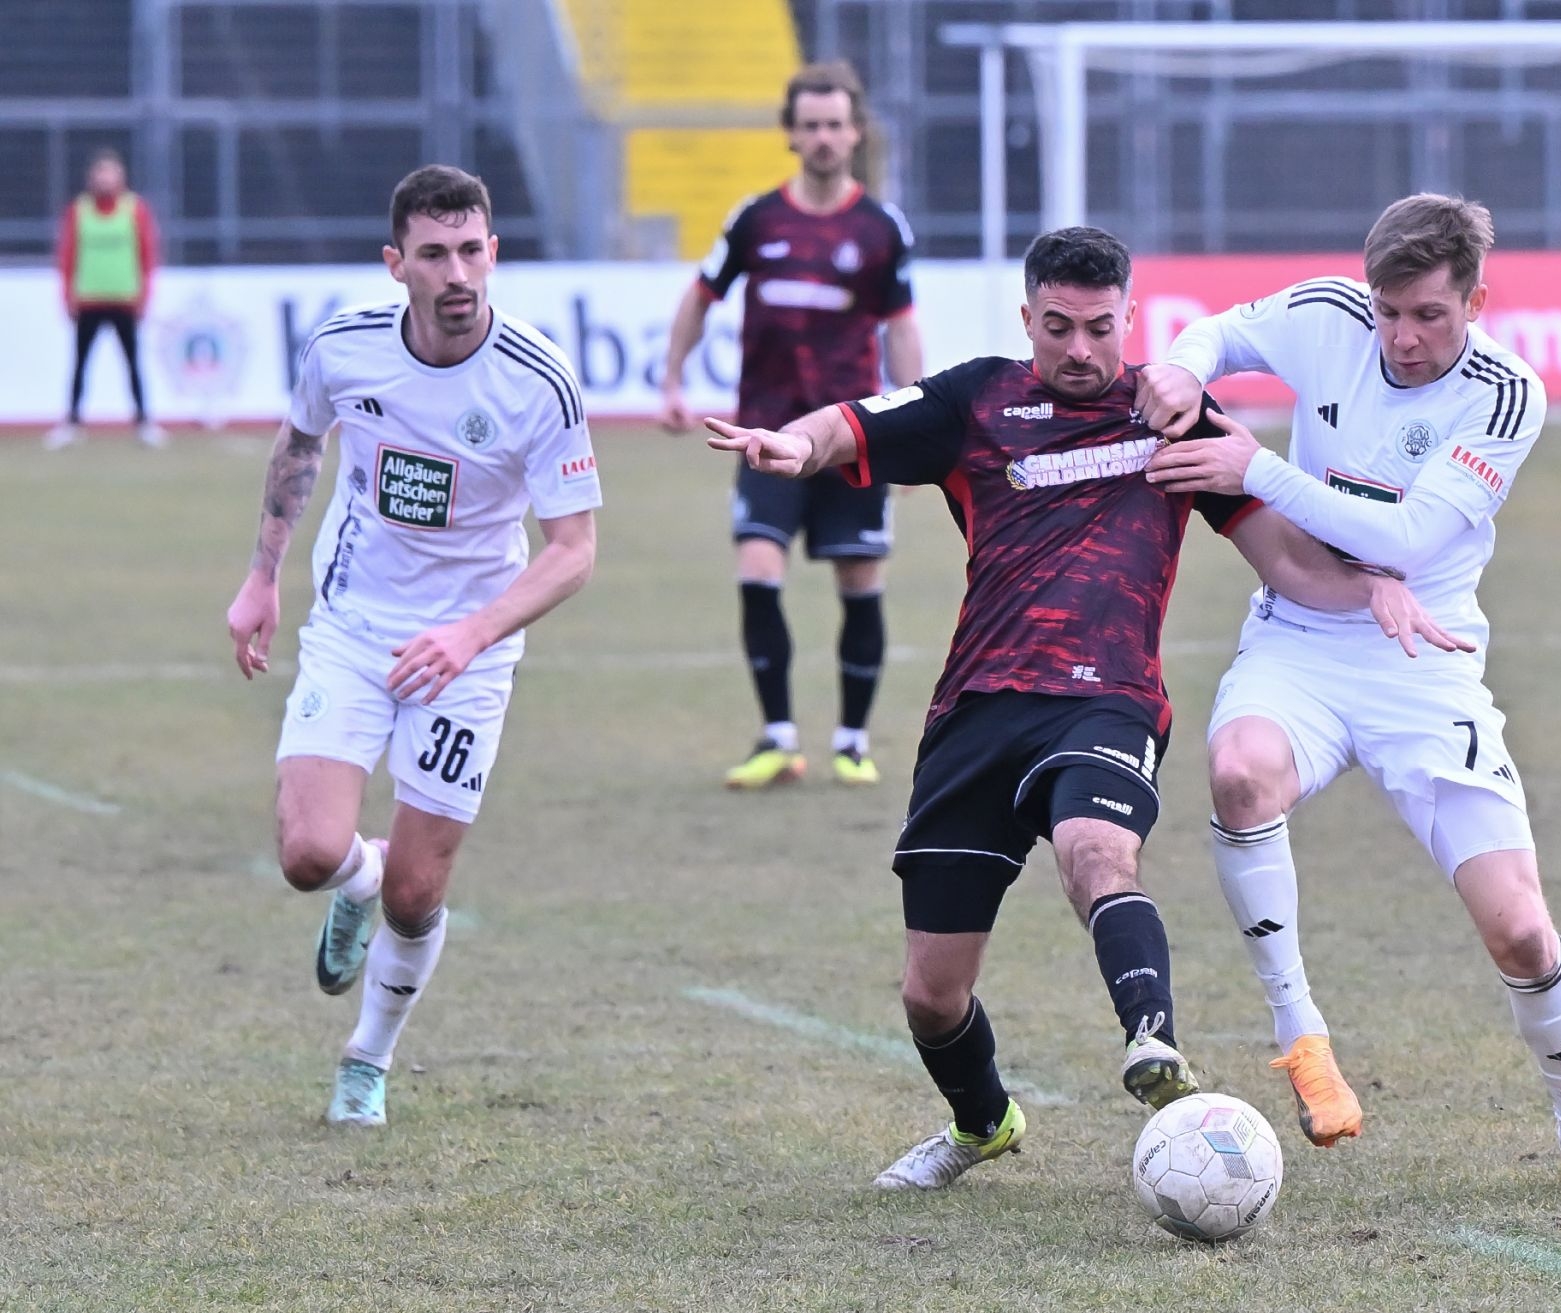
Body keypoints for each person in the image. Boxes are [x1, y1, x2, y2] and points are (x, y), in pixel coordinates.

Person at [705, 225, 1470, 1191]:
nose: (1079, 348)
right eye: (1058, 326)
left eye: (1100, 328)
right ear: (1027, 317)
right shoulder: (975, 401)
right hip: (977, 709)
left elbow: (1283, 557)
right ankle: (984, 1122)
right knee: (932, 994)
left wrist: (1373, 588)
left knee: (1096, 852)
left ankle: (1153, 1041)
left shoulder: (1174, 415)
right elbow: (853, 424)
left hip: (1106, 699)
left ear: (1129, 318)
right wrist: (793, 444)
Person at [1138, 194, 1561, 1196]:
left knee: (1520, 927)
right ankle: (1301, 1034)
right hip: (1301, 638)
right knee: (1239, 773)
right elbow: (1220, 331)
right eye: (1388, 311)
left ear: (1475, 301)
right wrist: (1183, 366)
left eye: (1429, 314)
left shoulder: (1504, 392)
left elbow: (1406, 539)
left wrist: (1257, 467)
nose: (1402, 336)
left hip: (1424, 659)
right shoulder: (1330, 313)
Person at [223, 165, 601, 1127]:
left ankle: (368, 1058)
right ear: (397, 264)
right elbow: (300, 445)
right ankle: (357, 880)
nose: (457, 272)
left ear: (494, 253)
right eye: (434, 254)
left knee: (419, 890)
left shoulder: (538, 381)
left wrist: (471, 633)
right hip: (353, 626)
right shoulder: (343, 347)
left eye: (472, 250)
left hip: (470, 650)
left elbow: (573, 550)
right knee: (308, 852)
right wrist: (263, 576)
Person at [660, 60, 922, 789]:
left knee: (859, 582)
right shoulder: (756, 219)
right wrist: (672, 379)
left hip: (851, 435)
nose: (824, 137)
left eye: (835, 124)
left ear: (855, 132)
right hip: (765, 436)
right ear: (791, 134)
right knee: (757, 569)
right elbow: (700, 296)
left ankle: (852, 741)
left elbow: (902, 327)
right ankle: (777, 737)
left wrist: (912, 425)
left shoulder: (880, 228)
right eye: (811, 125)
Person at [46, 149, 166, 450]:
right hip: (89, 299)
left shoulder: (134, 208)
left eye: (110, 172)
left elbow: (147, 254)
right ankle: (73, 422)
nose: (105, 179)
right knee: (80, 364)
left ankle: (143, 422)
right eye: (100, 173)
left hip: (125, 299)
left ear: (120, 176)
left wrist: (145, 295)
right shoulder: (79, 210)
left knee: (133, 363)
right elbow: (67, 255)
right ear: (92, 177)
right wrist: (67, 295)